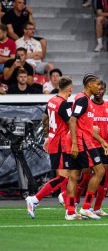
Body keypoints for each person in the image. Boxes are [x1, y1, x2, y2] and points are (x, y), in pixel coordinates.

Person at [25, 77, 73, 219]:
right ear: (70, 88)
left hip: (54, 141)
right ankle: (35, 199)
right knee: (65, 177)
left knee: (67, 175)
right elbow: (72, 123)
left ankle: (65, 199)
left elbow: (45, 118)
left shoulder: (52, 101)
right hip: (61, 143)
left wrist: (46, 137)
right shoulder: (64, 105)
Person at [74, 80, 108, 217]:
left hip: (103, 146)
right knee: (87, 175)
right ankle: (76, 202)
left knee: (104, 175)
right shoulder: (87, 104)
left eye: (102, 89)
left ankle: (96, 207)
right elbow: (79, 123)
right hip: (88, 144)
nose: (100, 91)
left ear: (105, 90)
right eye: (98, 88)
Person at [65, 74, 108, 220]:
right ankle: (86, 208)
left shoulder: (87, 101)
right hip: (80, 141)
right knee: (100, 170)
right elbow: (72, 120)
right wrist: (74, 143)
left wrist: (102, 141)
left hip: (83, 139)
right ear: (89, 84)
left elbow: (86, 126)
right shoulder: (82, 99)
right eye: (97, 84)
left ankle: (71, 211)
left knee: (74, 176)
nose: (99, 87)